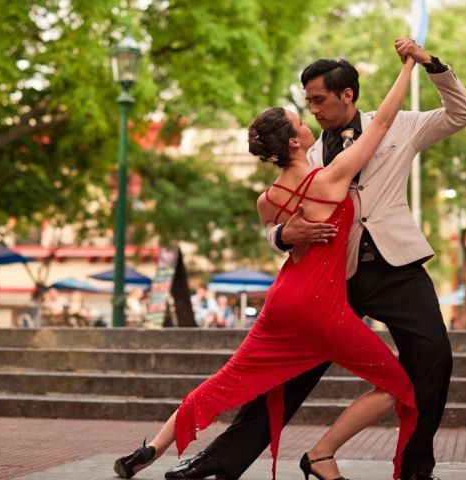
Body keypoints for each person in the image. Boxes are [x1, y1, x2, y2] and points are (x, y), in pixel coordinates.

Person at [166, 40, 466, 480]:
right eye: (307, 101)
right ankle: (221, 459)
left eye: (318, 99)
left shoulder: (399, 125)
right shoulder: (306, 152)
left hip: (398, 268)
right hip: (332, 278)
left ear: (346, 94)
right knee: (289, 372)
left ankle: (414, 467)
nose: (311, 109)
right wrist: (280, 235)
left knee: (434, 357)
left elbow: (463, 113)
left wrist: (434, 66)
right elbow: (274, 220)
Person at [114, 42, 420, 480]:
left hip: (281, 303)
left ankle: (151, 449)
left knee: (225, 380)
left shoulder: (267, 199)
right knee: (398, 387)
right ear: (295, 141)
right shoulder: (332, 178)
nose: (308, 116)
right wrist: (409, 65)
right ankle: (323, 454)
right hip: (324, 308)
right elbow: (385, 120)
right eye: (300, 119)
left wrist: (283, 233)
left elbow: (277, 237)